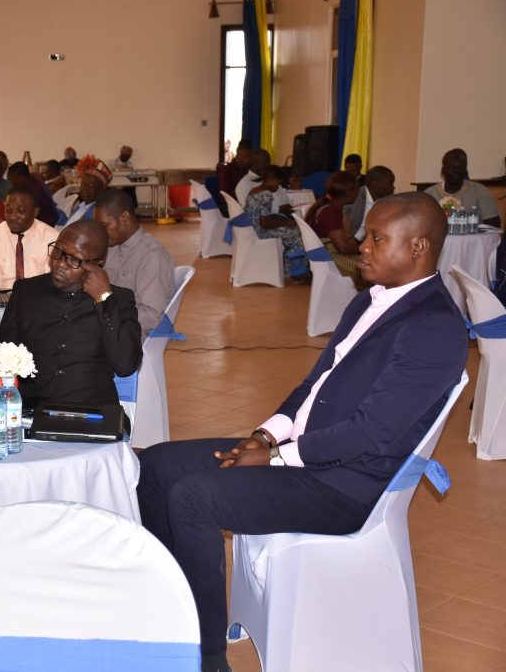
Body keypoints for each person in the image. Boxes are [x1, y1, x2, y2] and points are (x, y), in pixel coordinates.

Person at [136, 192, 467, 672]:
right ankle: (171, 604)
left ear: (419, 247)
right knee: (158, 464)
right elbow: (315, 384)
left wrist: (277, 458)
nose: (362, 246)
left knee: (193, 498)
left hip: (346, 484)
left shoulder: (434, 327)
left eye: (377, 238)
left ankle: (205, 654)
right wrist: (267, 436)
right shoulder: (368, 300)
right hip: (305, 453)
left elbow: (373, 434)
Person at [0, 221, 142, 407]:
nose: (60, 264)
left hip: (92, 411)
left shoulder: (119, 299)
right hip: (32, 411)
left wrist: (104, 299)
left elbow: (126, 365)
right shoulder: (26, 292)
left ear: (98, 264)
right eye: (58, 251)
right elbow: (2, 356)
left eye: (74, 260)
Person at [93, 189, 176, 339]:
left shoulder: (151, 255)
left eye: (104, 226)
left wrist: (104, 319)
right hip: (110, 322)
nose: (100, 232)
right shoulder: (110, 247)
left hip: (131, 333)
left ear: (124, 218)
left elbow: (150, 317)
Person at [0, 184, 59, 290]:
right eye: (8, 210)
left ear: (35, 212)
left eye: (21, 211)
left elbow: (50, 284)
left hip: (39, 297)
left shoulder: (52, 238)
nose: (13, 217)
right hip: (3, 298)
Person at [244, 165, 308, 280]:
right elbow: (264, 222)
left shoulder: (253, 191)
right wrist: (286, 223)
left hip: (251, 229)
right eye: (278, 183)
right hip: (260, 232)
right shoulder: (266, 195)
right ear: (270, 179)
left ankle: (290, 269)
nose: (278, 187)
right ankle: (294, 273)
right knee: (295, 233)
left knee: (291, 231)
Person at [306, 171, 363, 281]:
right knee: (377, 269)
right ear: (348, 192)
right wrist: (367, 248)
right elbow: (343, 248)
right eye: (357, 189)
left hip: (332, 256)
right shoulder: (329, 213)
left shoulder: (333, 208)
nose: (358, 192)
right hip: (333, 260)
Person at [424, 148, 501, 227]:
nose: (456, 171)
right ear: (443, 171)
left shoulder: (480, 192)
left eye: (460, 168)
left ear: (465, 171)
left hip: (472, 235)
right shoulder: (430, 194)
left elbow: (494, 226)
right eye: (451, 167)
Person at [346, 165, 396, 241]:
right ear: (375, 184)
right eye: (389, 183)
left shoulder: (385, 201)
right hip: (351, 241)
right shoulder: (354, 196)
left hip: (370, 242)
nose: (393, 187)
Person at [235, 149, 291, 213]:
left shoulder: (271, 178)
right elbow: (251, 209)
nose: (269, 165)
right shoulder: (244, 184)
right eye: (265, 162)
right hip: (268, 218)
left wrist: (291, 207)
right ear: (255, 163)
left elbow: (285, 198)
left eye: (269, 161)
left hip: (285, 215)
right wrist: (278, 210)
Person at [61, 156, 112, 225]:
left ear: (102, 189)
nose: (86, 187)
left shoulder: (98, 214)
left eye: (91, 184)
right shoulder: (80, 206)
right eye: (84, 183)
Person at [6, 161, 59, 227]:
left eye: (13, 180)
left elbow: (27, 214)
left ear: (22, 178)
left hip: (46, 224)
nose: (11, 184)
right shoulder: (31, 180)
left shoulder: (36, 191)